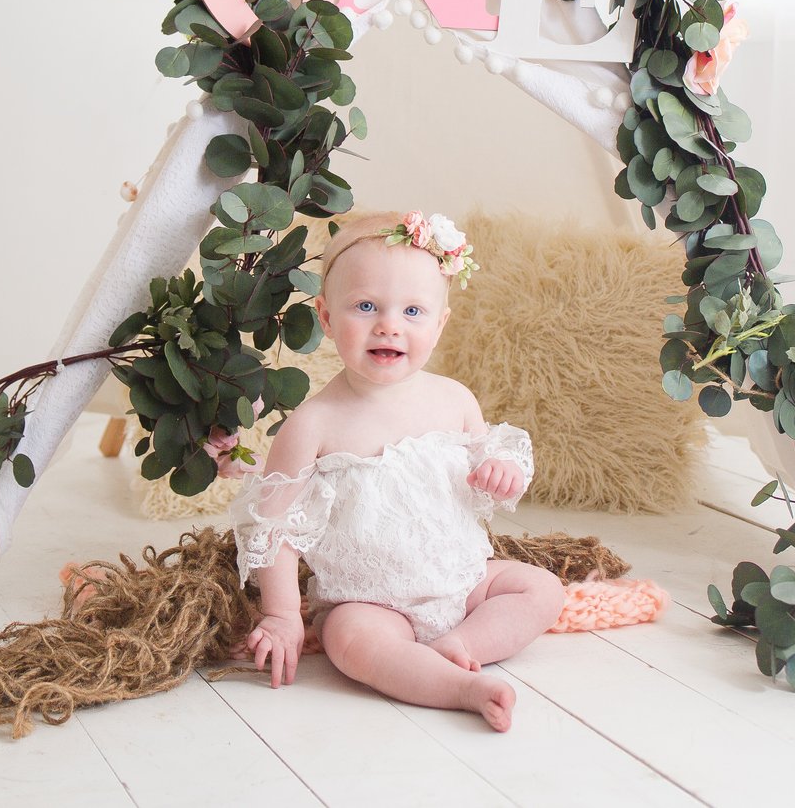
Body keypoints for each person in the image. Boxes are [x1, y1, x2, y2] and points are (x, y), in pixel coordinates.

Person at [229, 209, 568, 732]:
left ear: (440, 324)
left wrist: (501, 470)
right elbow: (273, 530)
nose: (389, 325)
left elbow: (491, 463)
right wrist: (283, 615)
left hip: (463, 582)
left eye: (413, 311)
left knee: (542, 589)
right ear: (325, 317)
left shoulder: (454, 400)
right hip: (368, 600)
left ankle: (460, 645)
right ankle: (460, 687)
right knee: (351, 643)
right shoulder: (313, 424)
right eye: (366, 306)